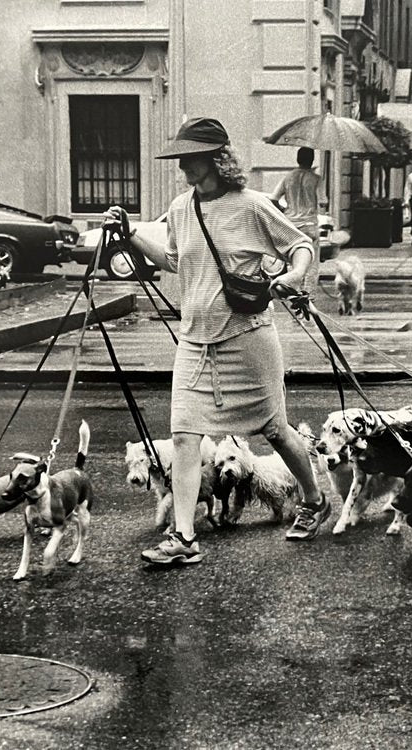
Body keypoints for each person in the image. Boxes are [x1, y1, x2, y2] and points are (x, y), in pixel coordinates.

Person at [102, 117, 328, 566]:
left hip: (248, 337)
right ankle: (184, 537)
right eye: (181, 156)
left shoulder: (252, 206)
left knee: (275, 430)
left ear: (216, 159)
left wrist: (294, 275)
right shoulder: (181, 208)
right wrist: (130, 234)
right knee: (184, 435)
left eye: (191, 156)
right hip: (194, 341)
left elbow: (299, 245)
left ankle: (314, 498)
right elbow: (171, 258)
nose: (183, 164)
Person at [271, 147, 327, 291]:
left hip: (292, 225)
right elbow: (323, 201)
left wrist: (285, 211)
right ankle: (308, 296)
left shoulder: (288, 177)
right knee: (311, 264)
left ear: (298, 159)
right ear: (312, 160)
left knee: (293, 263)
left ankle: (293, 293)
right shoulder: (316, 179)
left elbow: (273, 199)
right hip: (309, 224)